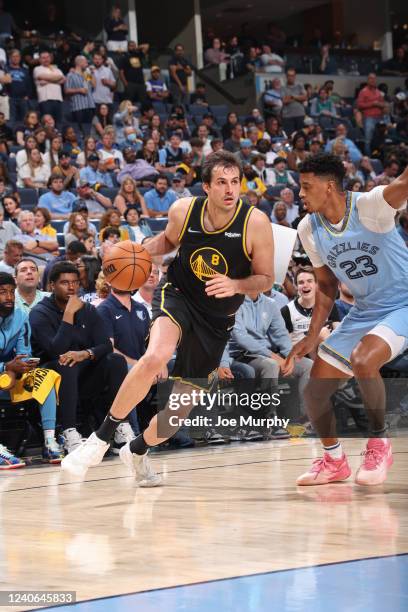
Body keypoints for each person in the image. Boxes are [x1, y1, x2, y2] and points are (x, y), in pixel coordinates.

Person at [61, 150, 275, 484]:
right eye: (221, 182)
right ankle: (100, 439)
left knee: (176, 413)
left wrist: (235, 283)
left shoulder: (255, 223)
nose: (231, 189)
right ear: (206, 187)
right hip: (178, 294)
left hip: (216, 321)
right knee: (156, 355)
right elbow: (168, 241)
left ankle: (138, 449)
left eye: (235, 182)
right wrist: (139, 249)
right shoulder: (183, 210)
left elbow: (266, 279)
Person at [282, 153, 408, 487]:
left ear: (330, 186)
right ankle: (335, 461)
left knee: (363, 360)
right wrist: (312, 334)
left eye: (307, 187)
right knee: (314, 392)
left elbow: (405, 184)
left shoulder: (371, 207)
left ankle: (379, 443)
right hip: (366, 311)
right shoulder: (308, 228)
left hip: (404, 303)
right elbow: (326, 285)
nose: (301, 194)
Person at [30, 262, 129, 454]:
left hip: (84, 376)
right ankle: (69, 432)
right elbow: (55, 350)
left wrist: (85, 353)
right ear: (51, 286)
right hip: (52, 380)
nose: (71, 287)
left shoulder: (88, 310)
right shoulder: (39, 313)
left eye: (75, 282)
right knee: (66, 362)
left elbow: (106, 345)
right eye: (64, 283)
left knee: (116, 361)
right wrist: (68, 314)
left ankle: (119, 427)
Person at [0, 272, 63, 468]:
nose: (9, 297)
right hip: (4, 370)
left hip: (12, 374)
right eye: (2, 292)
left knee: (46, 375)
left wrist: (19, 366)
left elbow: (24, 352)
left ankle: (49, 441)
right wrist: (5, 367)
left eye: (11, 292)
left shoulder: (21, 316)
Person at [229, 290, 313, 426]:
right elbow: (241, 338)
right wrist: (273, 356)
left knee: (307, 365)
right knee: (271, 365)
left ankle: (306, 418)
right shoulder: (234, 302)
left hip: (269, 354)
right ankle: (269, 419)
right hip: (243, 355)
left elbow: (280, 335)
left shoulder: (270, 304)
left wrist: (289, 357)